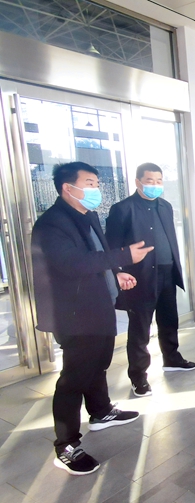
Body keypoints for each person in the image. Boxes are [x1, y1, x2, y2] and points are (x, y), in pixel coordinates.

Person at [32, 162, 154, 475]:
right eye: (89, 183)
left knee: (98, 363)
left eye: (97, 183)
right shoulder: (52, 224)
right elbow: (73, 264)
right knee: (74, 378)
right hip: (75, 314)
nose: (96, 189)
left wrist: (116, 272)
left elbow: (96, 255)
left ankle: (100, 411)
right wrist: (124, 255)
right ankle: (66, 445)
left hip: (98, 305)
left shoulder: (88, 215)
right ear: (67, 188)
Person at [106, 163, 195, 398]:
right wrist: (117, 272)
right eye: (149, 180)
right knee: (140, 329)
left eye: (159, 181)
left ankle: (172, 359)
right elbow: (111, 247)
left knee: (169, 320)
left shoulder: (165, 206)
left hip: (167, 272)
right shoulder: (122, 209)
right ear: (138, 182)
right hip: (140, 277)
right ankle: (138, 376)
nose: (155, 185)